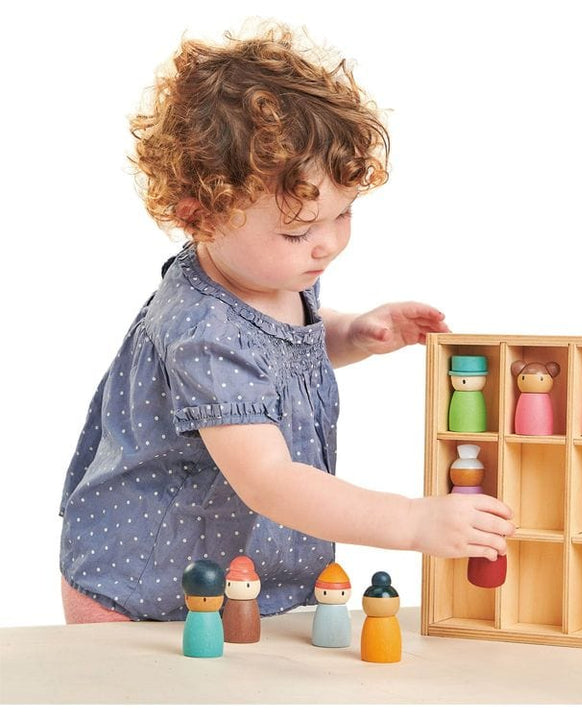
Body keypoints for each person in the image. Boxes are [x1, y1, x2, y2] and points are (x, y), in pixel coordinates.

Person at [59, 21, 515, 623]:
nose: (327, 245)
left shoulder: (273, 273)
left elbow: (277, 354)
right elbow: (268, 479)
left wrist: (350, 334)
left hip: (237, 574)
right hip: (147, 589)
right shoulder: (204, 332)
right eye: (299, 230)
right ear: (200, 218)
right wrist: (411, 521)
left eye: (343, 215)